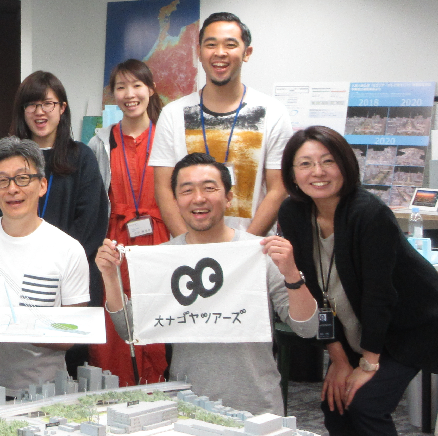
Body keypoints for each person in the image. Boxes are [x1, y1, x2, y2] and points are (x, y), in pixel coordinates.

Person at [95, 152, 318, 415]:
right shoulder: (165, 257)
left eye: (209, 188)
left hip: (257, 405)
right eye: (187, 190)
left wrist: (291, 273)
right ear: (175, 200)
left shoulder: (259, 253)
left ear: (229, 197)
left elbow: (307, 328)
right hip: (188, 405)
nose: (198, 198)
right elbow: (130, 331)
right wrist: (110, 276)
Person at [276, 126, 438, 436]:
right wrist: (338, 359)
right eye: (305, 164)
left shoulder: (369, 214)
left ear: (346, 166)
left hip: (411, 327)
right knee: (334, 405)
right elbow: (316, 292)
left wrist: (367, 364)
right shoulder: (293, 213)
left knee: (365, 403)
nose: (318, 172)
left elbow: (380, 296)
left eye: (328, 161)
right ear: (292, 174)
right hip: (359, 328)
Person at [0, 138, 89, 399]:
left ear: (42, 185)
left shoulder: (69, 249)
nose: (12, 189)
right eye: (1, 181)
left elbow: (70, 336)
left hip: (46, 392)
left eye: (22, 178)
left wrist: (16, 326)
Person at [150, 12, 292, 237]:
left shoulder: (273, 112)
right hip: (190, 251)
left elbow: (278, 189)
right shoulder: (172, 114)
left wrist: (243, 247)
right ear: (199, 52)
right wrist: (189, 244)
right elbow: (164, 189)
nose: (220, 52)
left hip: (253, 248)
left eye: (230, 45)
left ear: (247, 53)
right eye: (211, 44)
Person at [87, 59, 168, 385]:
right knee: (115, 322)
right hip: (116, 240)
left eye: (137, 85)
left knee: (159, 317)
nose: (129, 94)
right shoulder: (101, 142)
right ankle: (115, 390)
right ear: (113, 94)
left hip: (159, 239)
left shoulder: (167, 138)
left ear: (151, 89)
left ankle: (157, 387)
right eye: (121, 87)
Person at [0, 71, 108, 305]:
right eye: (31, 104)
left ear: (62, 108)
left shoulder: (81, 157)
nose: (40, 112)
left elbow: (90, 222)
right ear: (22, 110)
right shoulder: (9, 160)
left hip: (72, 276)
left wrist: (56, 263)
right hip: (17, 272)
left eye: (48, 103)